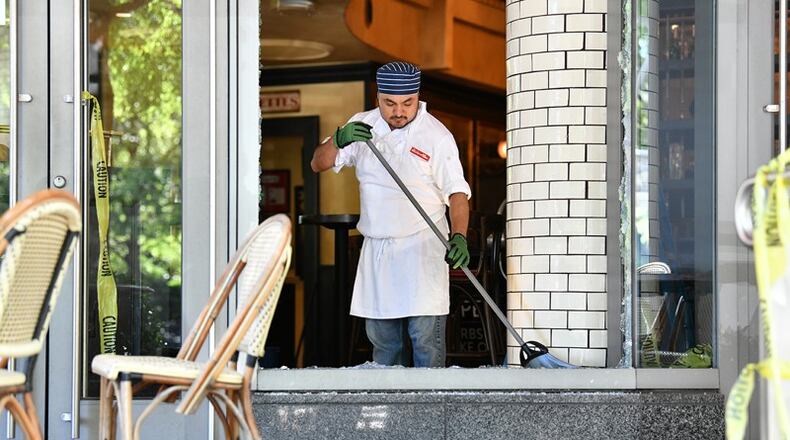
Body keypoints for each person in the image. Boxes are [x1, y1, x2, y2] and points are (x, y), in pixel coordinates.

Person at [310, 61, 472, 368]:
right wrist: (339, 138)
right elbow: (318, 163)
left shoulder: (436, 136)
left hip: (423, 249)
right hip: (378, 252)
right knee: (384, 347)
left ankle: (431, 413)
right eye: (390, 103)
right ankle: (390, 414)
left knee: (425, 342)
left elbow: (457, 195)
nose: (398, 111)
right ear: (378, 98)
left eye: (407, 103)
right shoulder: (361, 125)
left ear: (417, 97)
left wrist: (460, 236)